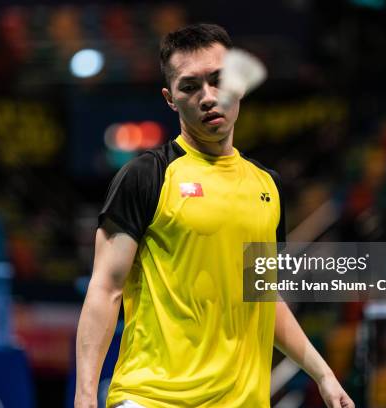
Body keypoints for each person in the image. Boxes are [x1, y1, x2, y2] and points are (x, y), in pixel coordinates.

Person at [75, 23, 354, 408]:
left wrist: (323, 374)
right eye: (189, 86)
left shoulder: (267, 188)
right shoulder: (147, 177)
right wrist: (85, 395)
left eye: (218, 80)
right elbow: (106, 288)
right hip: (153, 398)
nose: (207, 97)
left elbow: (262, 297)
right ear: (170, 99)